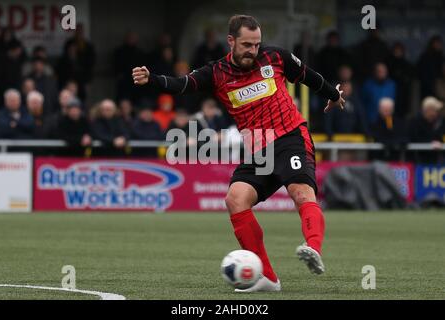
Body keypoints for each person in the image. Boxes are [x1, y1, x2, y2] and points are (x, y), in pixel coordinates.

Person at [132, 15, 345, 292]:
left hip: (290, 136)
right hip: (259, 148)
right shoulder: (217, 72)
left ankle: (312, 247)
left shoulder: (275, 58)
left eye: (256, 44)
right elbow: (182, 85)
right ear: (231, 41)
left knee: (301, 193)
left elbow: (309, 76)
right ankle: (268, 278)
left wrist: (332, 94)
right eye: (246, 44)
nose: (252, 51)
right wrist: (152, 80)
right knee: (235, 199)